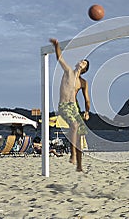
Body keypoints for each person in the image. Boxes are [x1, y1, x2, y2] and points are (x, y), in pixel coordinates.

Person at [50, 38, 90, 172]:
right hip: (64, 105)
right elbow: (60, 58)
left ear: (84, 69)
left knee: (80, 135)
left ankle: (79, 165)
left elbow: (87, 100)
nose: (81, 62)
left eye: (84, 63)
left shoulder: (82, 82)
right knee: (74, 126)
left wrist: (87, 112)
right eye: (81, 60)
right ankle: (72, 155)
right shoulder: (68, 72)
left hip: (75, 107)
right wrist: (57, 46)